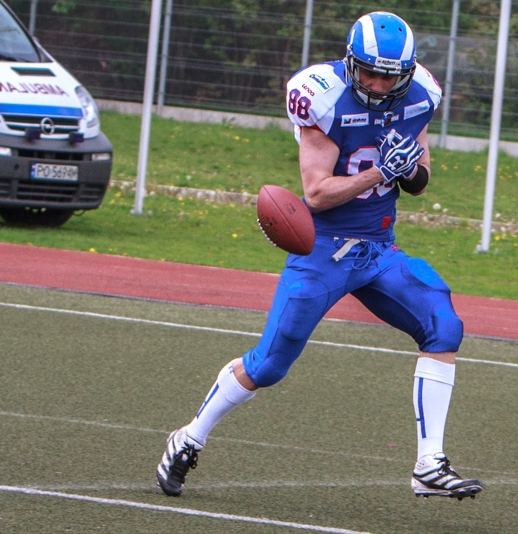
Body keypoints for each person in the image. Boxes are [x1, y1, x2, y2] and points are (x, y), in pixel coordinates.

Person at [156, 11, 483, 501]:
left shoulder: (421, 95)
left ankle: (429, 465)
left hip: (378, 248)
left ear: (407, 72)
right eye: (369, 73)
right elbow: (316, 194)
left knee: (443, 323)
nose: (378, 84)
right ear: (351, 63)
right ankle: (189, 437)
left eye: (389, 76)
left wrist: (409, 166)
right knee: (269, 364)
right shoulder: (322, 96)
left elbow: (420, 181)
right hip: (323, 249)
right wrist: (381, 171)